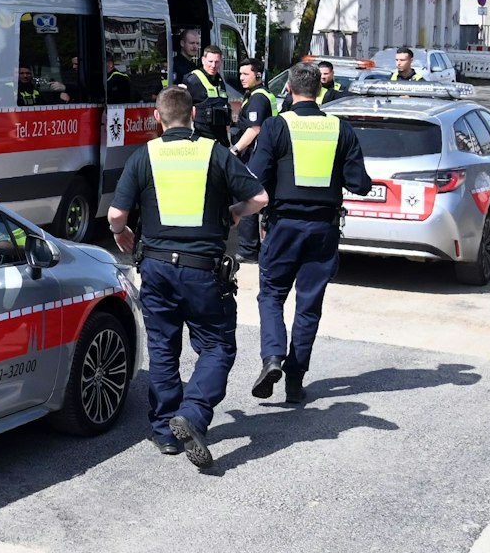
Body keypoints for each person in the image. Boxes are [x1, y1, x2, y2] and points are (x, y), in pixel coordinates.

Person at [108, 86, 267, 472]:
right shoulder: (214, 152)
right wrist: (232, 214)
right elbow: (260, 198)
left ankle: (164, 432)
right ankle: (193, 414)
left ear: (157, 118)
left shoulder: (144, 155)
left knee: (163, 348)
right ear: (193, 115)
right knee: (216, 347)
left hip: (157, 267)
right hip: (202, 270)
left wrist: (121, 234)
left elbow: (116, 213)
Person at [246, 63, 372, 404]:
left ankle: (273, 357)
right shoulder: (339, 129)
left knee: (271, 295)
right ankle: (294, 383)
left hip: (283, 226)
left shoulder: (275, 126)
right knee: (308, 306)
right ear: (319, 90)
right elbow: (360, 184)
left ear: (288, 88)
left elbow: (255, 178)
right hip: (324, 229)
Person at [228, 58, 274, 261]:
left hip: (255, 154)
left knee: (246, 196)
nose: (241, 78)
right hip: (260, 154)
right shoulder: (256, 95)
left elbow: (255, 129)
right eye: (240, 74)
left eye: (245, 74)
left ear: (258, 75)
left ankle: (247, 250)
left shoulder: (258, 98)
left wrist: (235, 149)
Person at [182, 44, 232, 143]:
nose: (213, 65)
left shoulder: (220, 80)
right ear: (203, 60)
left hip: (220, 138)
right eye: (210, 61)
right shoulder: (192, 80)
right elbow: (183, 110)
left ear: (221, 62)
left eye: (217, 62)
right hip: (201, 137)